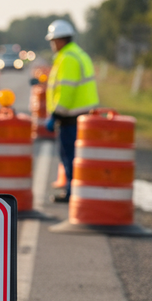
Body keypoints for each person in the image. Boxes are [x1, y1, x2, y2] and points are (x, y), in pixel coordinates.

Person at [44, 19, 99, 202]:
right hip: (83, 114)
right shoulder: (78, 53)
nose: (52, 45)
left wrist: (56, 114)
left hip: (71, 117)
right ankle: (76, 190)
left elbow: (66, 91)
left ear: (60, 40)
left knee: (70, 156)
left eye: (53, 41)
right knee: (79, 156)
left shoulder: (67, 58)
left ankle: (72, 193)